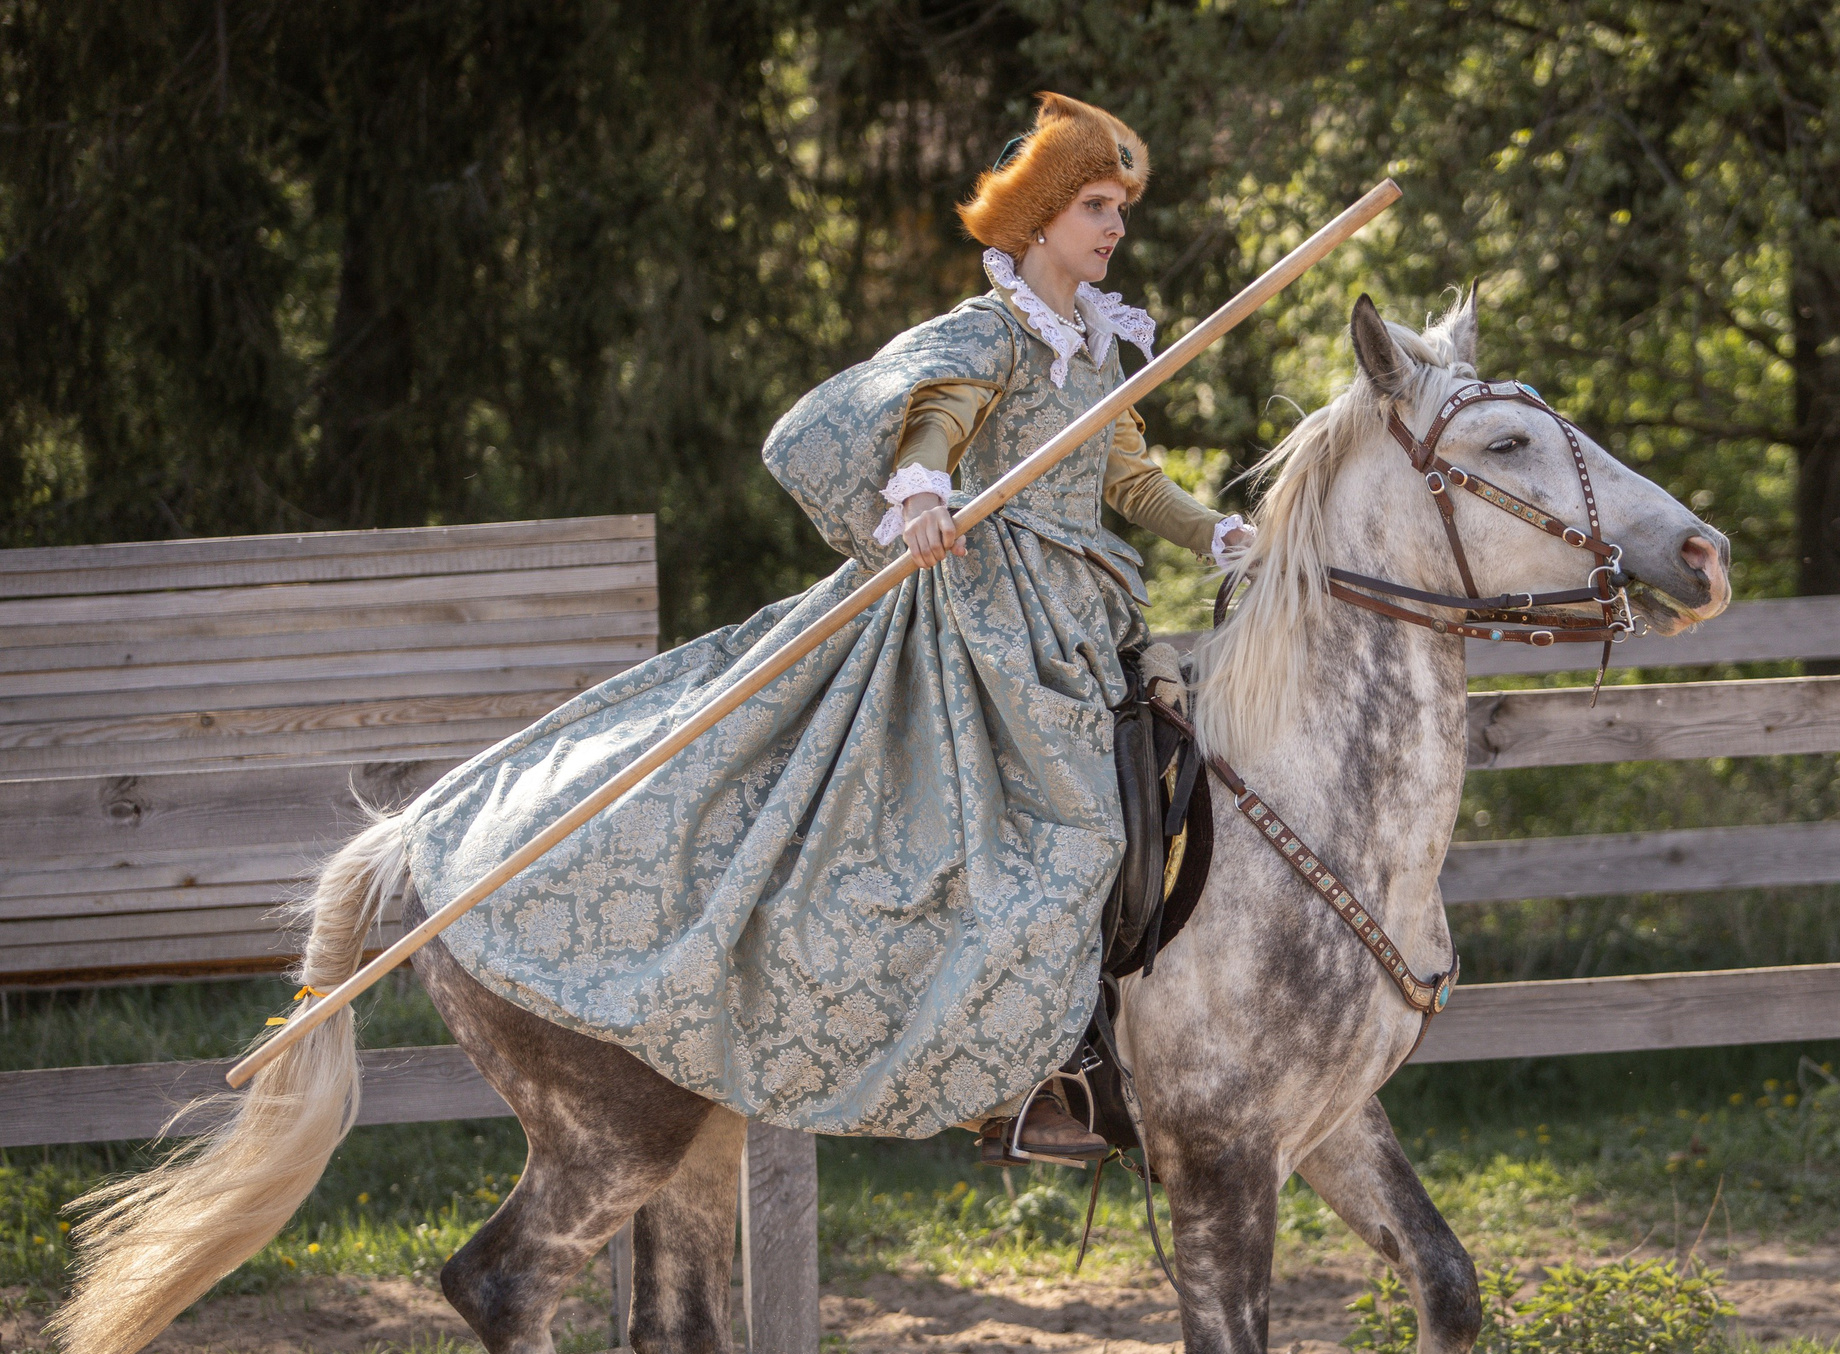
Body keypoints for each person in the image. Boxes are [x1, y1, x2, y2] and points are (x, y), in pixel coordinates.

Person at [401, 92, 1247, 1167]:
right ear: (1037, 218)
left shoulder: (1098, 341)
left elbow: (1127, 480)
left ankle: (1108, 1040)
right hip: (985, 625)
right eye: (1093, 205)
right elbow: (932, 425)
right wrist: (927, 491)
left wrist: (1216, 535)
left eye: (1120, 206)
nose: (1114, 226)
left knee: (1160, 789)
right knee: (1059, 837)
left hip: (1081, 619)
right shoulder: (987, 333)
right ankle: (1017, 1082)